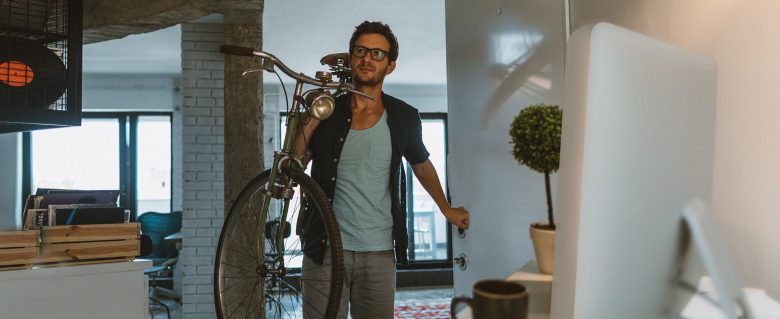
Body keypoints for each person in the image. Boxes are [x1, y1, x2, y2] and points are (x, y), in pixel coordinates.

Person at [295, 20, 470, 319]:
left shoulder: (403, 116)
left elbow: (422, 164)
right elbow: (296, 161)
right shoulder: (329, 112)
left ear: (390, 66)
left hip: (378, 253)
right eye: (361, 51)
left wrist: (445, 208)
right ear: (351, 58)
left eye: (378, 54)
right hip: (323, 249)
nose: (368, 59)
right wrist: (314, 111)